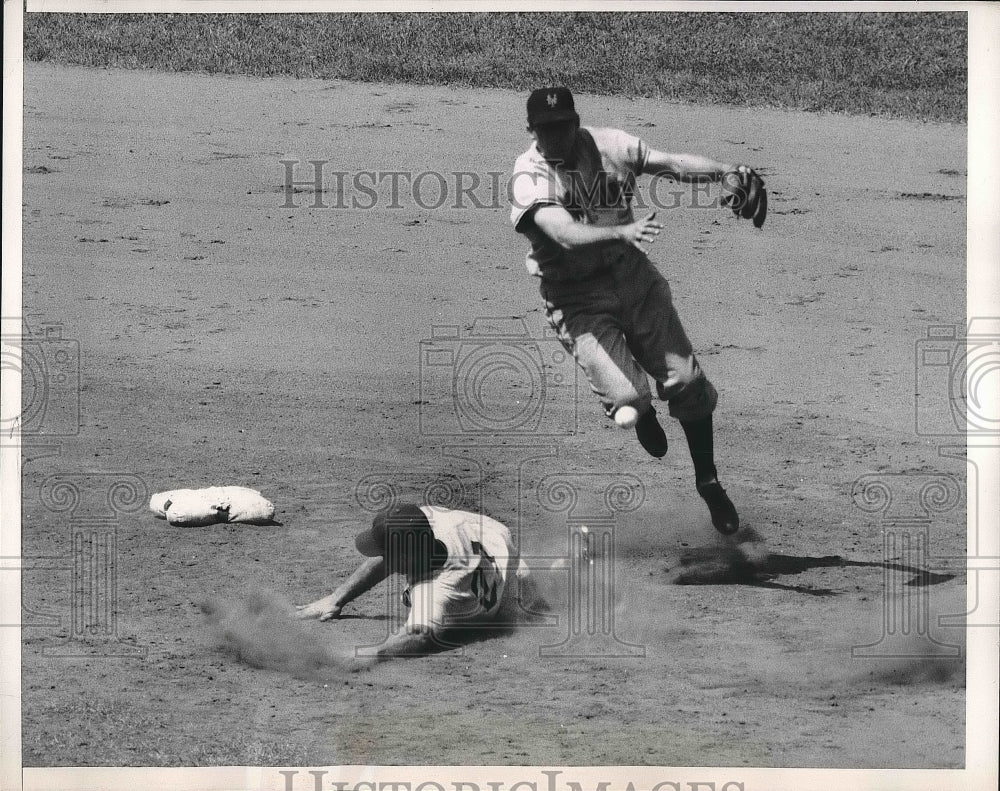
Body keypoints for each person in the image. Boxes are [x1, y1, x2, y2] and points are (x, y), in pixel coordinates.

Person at [509, 87, 756, 535]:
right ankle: (643, 412)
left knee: (688, 383)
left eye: (563, 125)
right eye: (546, 129)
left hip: (633, 281)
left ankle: (708, 480)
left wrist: (726, 172)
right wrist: (619, 232)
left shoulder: (608, 145)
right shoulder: (529, 175)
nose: (557, 136)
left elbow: (672, 163)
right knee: (627, 399)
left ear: (576, 121)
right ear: (531, 131)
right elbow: (561, 231)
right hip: (576, 300)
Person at [296, 503, 537, 664]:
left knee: (410, 597)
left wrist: (363, 654)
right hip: (496, 539)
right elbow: (394, 553)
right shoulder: (435, 520)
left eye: (388, 555)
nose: (382, 557)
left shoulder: (434, 592)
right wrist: (335, 599)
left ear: (402, 559)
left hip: (505, 592)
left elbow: (418, 635)